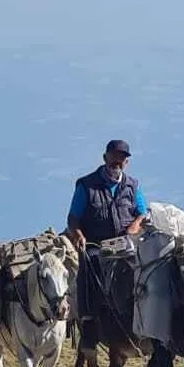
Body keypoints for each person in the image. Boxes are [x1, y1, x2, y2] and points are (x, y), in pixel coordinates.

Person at [67, 141, 148, 347]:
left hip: (127, 243)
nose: (117, 161)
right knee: (89, 267)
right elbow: (73, 218)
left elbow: (142, 212)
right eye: (114, 156)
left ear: (126, 162)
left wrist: (135, 226)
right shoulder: (86, 185)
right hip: (98, 244)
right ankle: (88, 325)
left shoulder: (132, 185)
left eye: (121, 158)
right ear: (105, 158)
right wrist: (79, 236)